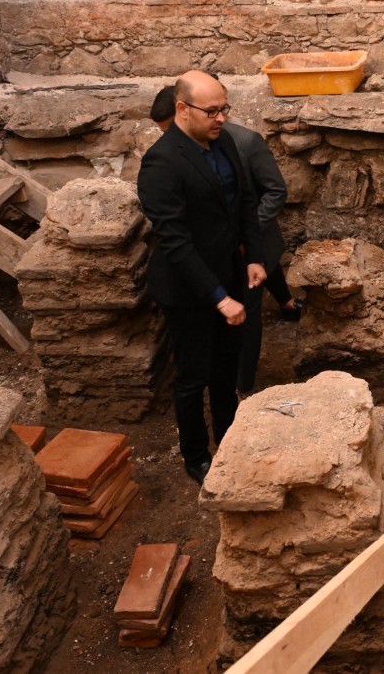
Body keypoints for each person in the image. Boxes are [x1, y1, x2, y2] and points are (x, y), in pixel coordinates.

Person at [137, 71, 267, 484]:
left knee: (227, 366)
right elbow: (174, 242)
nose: (220, 119)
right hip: (188, 290)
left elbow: (244, 201)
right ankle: (196, 455)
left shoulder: (221, 140)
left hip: (229, 272)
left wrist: (253, 256)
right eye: (211, 111)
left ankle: (229, 438)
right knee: (193, 375)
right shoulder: (160, 162)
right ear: (182, 109)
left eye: (224, 109)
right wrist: (217, 297)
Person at [150, 84, 303, 393]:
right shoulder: (174, 155)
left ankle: (243, 383)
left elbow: (274, 191)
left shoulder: (245, 142)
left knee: (250, 314)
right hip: (221, 251)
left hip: (252, 241)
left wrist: (247, 233)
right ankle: (286, 304)